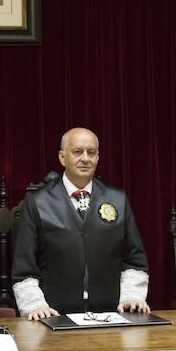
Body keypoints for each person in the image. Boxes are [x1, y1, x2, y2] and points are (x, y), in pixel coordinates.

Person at [11, 127, 150, 320]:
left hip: (111, 315)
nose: (85, 158)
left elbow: (134, 261)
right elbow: (24, 268)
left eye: (91, 152)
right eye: (77, 152)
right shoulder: (37, 202)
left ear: (98, 157)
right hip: (53, 316)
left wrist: (132, 297)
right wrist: (35, 306)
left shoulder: (118, 199)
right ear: (62, 157)